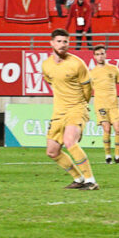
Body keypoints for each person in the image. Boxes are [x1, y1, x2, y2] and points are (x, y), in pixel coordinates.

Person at [42, 29, 99, 190]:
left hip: (77, 108)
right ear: (52, 43)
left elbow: (88, 89)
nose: (62, 45)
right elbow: (51, 82)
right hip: (58, 112)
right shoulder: (46, 65)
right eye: (59, 41)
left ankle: (91, 181)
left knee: (69, 142)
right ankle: (78, 179)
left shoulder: (77, 64)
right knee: (52, 152)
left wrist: (82, 106)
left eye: (65, 42)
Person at [90, 45, 119, 164]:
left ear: (105, 55)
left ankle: (117, 156)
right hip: (100, 105)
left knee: (118, 129)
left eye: (102, 54)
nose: (100, 56)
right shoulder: (91, 73)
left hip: (113, 105)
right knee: (106, 129)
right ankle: (108, 156)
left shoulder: (113, 69)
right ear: (94, 57)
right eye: (97, 54)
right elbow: (87, 90)